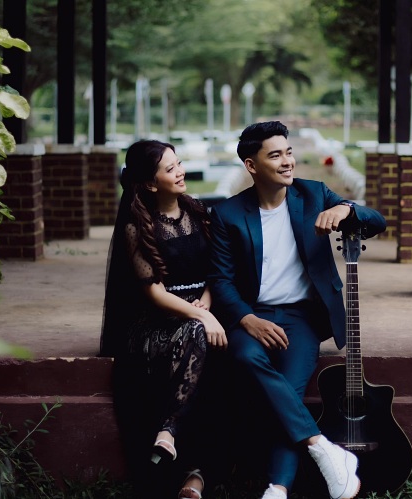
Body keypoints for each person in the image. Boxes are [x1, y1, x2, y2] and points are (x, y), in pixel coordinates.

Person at [207, 121, 387, 499]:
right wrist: (248, 319)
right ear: (251, 165)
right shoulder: (228, 214)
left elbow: (376, 221)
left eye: (288, 152)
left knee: (287, 391)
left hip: (303, 317)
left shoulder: (314, 194)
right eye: (275, 155)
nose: (287, 161)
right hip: (252, 315)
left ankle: (277, 488)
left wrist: (346, 210)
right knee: (245, 356)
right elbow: (221, 281)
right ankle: (324, 451)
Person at [100, 139, 227, 499]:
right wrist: (200, 317)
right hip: (156, 322)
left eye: (179, 163)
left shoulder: (200, 212)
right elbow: (154, 293)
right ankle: (172, 438)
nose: (181, 172)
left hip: (200, 313)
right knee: (197, 334)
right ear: (151, 183)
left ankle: (184, 455)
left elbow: (217, 271)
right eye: (171, 169)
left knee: (209, 346)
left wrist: (205, 307)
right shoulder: (136, 227)